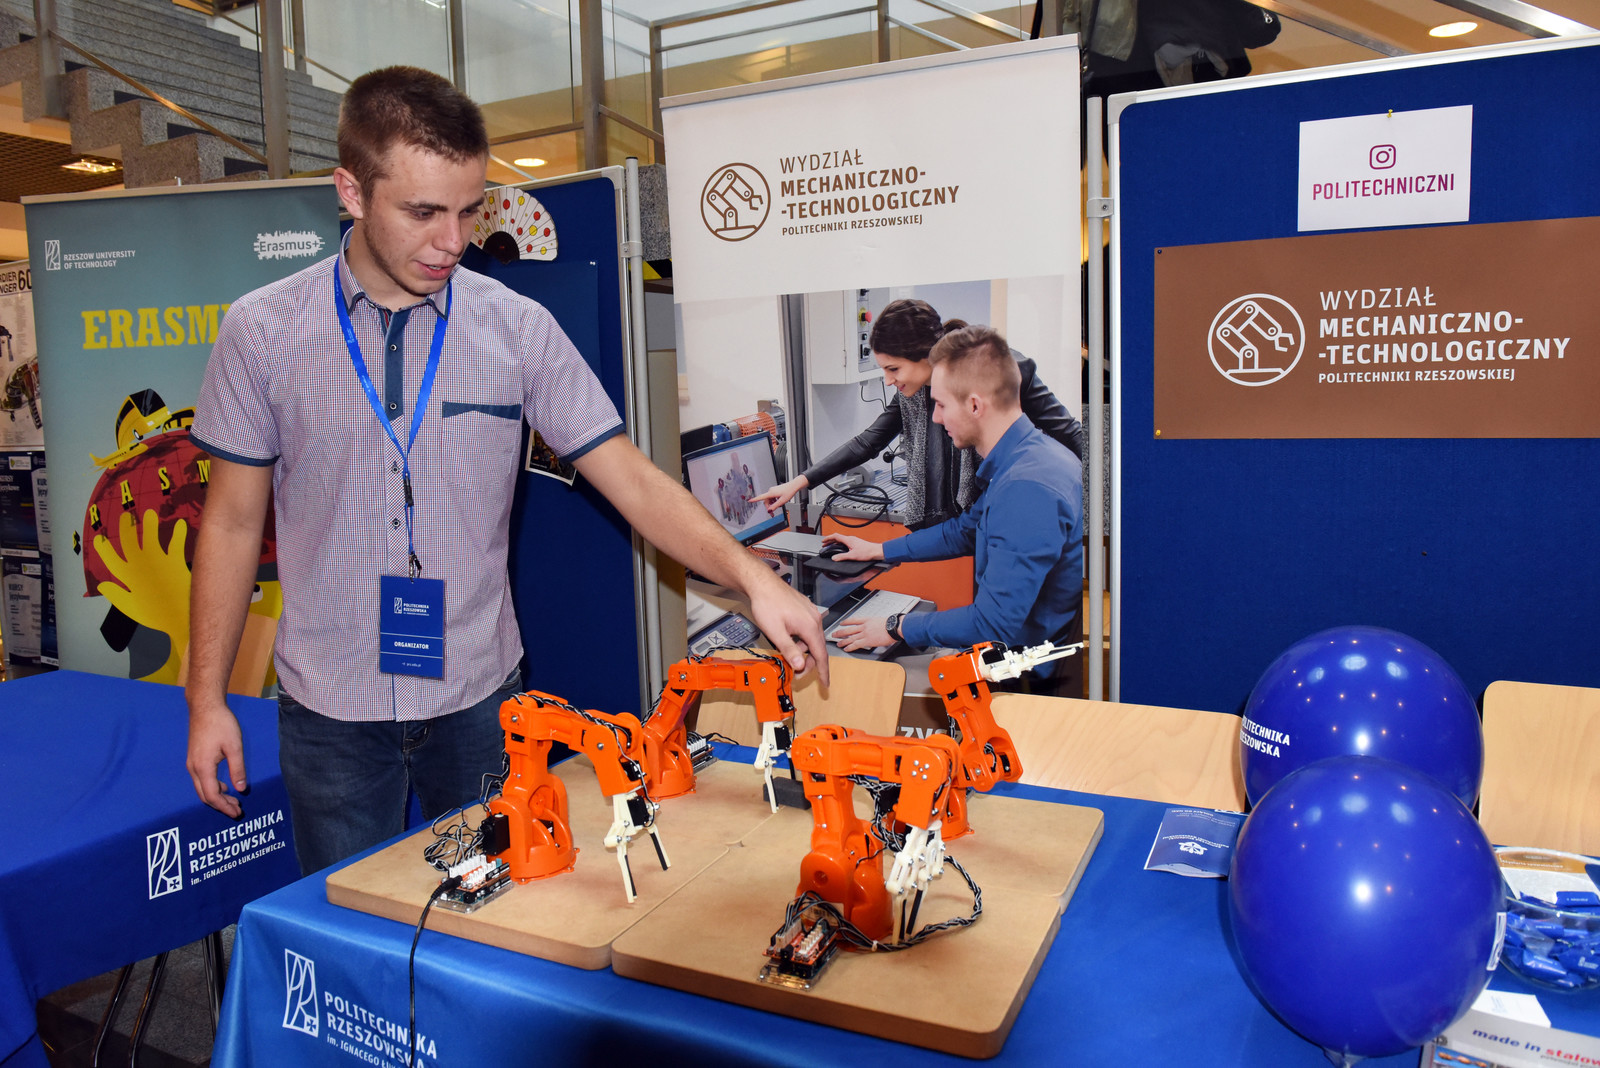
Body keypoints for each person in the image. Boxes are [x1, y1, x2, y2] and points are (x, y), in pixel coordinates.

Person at [183, 66, 827, 875]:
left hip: (481, 703)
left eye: (469, 210)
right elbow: (232, 523)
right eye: (423, 212)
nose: (453, 241)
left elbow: (628, 476)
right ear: (351, 191)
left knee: (500, 911)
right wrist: (205, 699)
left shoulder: (518, 328)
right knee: (350, 924)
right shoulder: (262, 332)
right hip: (330, 709)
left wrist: (752, 578)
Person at [826, 325, 1084, 697]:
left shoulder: (1027, 487)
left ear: (975, 405)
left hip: (1030, 685)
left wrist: (897, 626)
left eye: (942, 405)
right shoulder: (1028, 458)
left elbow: (993, 623)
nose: (935, 418)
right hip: (1025, 660)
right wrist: (879, 550)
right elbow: (965, 531)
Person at [755, 298, 1084, 530]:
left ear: (926, 356)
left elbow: (1070, 435)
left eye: (893, 369)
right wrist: (800, 481)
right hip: (967, 525)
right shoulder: (913, 393)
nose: (888, 380)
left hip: (1014, 515)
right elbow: (869, 441)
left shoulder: (1004, 370)